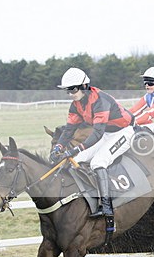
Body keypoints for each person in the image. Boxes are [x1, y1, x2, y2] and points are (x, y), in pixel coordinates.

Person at [50, 67, 136, 232]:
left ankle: (107, 206)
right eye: (67, 90)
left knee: (98, 162)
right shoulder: (76, 105)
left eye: (73, 89)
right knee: (78, 160)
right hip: (106, 133)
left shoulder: (100, 100)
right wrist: (59, 147)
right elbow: (69, 130)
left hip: (124, 131)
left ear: (84, 86)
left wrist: (75, 149)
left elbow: (96, 133)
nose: (70, 94)